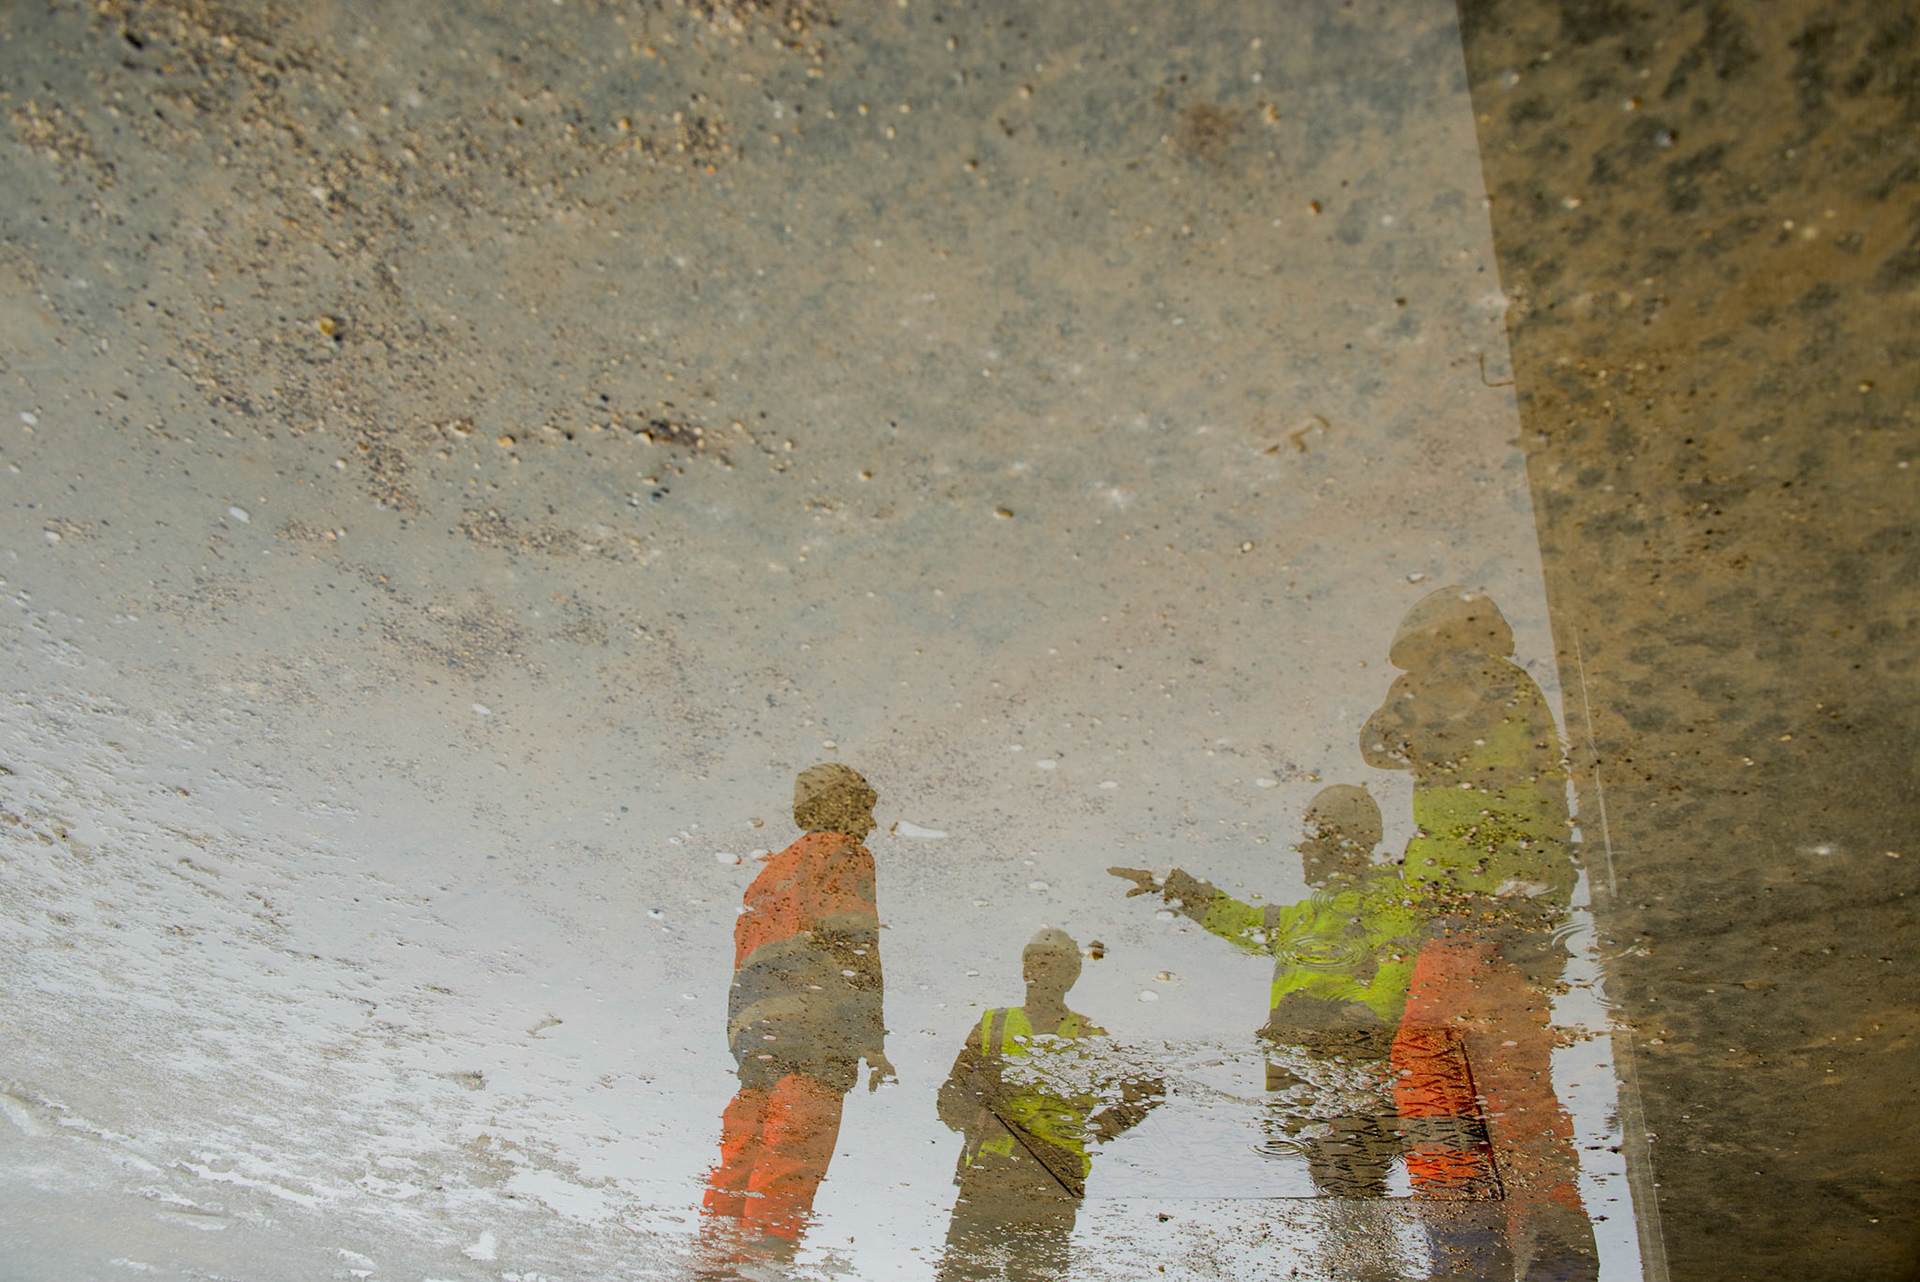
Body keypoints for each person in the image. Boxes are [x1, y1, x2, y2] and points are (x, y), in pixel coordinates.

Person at [1360, 587, 1597, 1281]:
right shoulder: (1506, 691)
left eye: (1433, 649)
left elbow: (1383, 741)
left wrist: (1413, 690)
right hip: (1503, 905)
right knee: (1503, 1076)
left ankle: (1474, 1244)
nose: (1428, 663)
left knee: (1437, 1061)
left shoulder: (1480, 687)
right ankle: (1541, 1246)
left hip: (1481, 905)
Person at [698, 764, 895, 1273]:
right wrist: (869, 1036)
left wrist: (741, 1032)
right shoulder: (846, 854)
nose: (871, 824)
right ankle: (764, 1262)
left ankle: (715, 1260)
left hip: (756, 1025)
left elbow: (745, 954)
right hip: (816, 1018)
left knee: (745, 1140)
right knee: (798, 1135)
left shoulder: (772, 869)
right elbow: (853, 941)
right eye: (865, 808)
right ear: (838, 805)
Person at [935, 929, 1160, 1282]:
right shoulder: (994, 1023)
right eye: (1032, 960)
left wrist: (1099, 1129)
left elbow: (1149, 1088)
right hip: (990, 1175)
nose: (1038, 968)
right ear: (1024, 969)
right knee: (963, 1275)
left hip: (1052, 1180)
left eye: (1050, 962)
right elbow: (950, 1095)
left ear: (1070, 974)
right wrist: (976, 1118)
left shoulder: (1089, 1034)